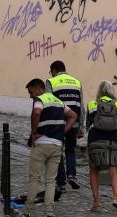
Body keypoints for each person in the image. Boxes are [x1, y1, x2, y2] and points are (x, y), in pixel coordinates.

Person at [20, 78, 74, 217]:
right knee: (51, 181)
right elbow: (73, 116)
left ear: (38, 88)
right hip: (56, 144)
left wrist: (33, 132)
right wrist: (63, 132)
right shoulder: (58, 101)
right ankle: (49, 213)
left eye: (31, 92)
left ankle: (27, 212)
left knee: (34, 178)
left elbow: (37, 113)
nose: (31, 95)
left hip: (41, 143)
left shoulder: (39, 99)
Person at [85, 81, 117, 214]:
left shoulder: (92, 104)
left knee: (94, 169)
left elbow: (88, 124)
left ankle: (96, 202)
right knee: (114, 169)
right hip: (113, 140)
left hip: (95, 139)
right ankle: (115, 198)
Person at [48, 60, 85, 191]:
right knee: (70, 149)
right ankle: (72, 176)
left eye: (50, 71)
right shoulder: (76, 82)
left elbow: (49, 103)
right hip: (73, 123)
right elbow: (82, 105)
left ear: (53, 70)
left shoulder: (51, 82)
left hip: (58, 123)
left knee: (57, 151)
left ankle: (61, 182)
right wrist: (81, 127)